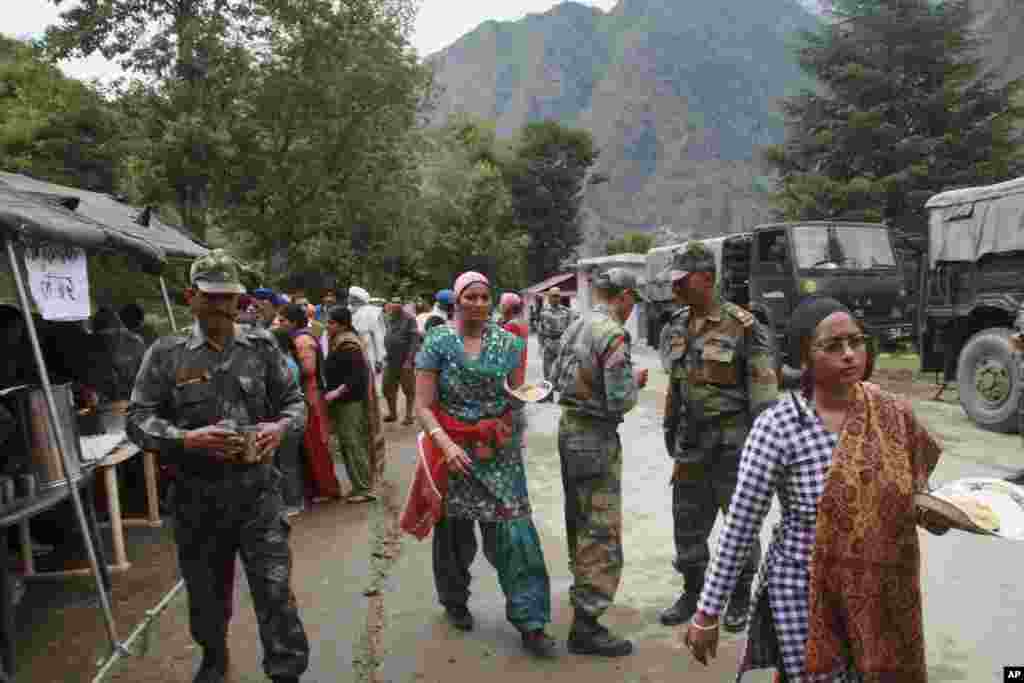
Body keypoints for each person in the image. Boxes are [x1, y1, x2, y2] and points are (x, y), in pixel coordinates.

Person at [684, 296, 948, 682]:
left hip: (881, 594)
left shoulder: (892, 412)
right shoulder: (780, 427)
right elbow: (740, 527)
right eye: (833, 346)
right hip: (805, 594)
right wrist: (707, 613)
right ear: (804, 357)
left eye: (855, 342)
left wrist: (944, 511)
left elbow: (918, 490)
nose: (849, 355)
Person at [126, 249, 309, 683]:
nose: (223, 307)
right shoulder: (166, 353)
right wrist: (185, 439)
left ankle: (286, 670)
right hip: (197, 499)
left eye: (230, 298)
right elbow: (136, 420)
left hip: (258, 495)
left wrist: (280, 429)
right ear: (191, 297)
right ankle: (213, 658)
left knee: (274, 590)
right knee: (207, 597)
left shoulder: (262, 345)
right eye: (212, 297)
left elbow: (295, 404)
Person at [414, 271, 557, 659]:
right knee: (453, 534)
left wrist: (523, 405)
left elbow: (514, 395)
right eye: (470, 297)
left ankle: (531, 622)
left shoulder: (510, 343)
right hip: (453, 452)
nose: (478, 303)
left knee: (515, 534)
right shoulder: (438, 341)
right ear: (457, 301)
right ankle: (455, 601)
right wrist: (445, 445)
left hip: (499, 454)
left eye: (484, 296)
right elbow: (423, 406)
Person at [657, 243, 777, 632]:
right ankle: (693, 591)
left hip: (734, 445)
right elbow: (676, 387)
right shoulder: (676, 324)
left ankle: (739, 597)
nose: (674, 289)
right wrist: (669, 431)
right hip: (691, 443)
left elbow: (763, 395)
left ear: (706, 279)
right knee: (686, 521)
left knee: (739, 524)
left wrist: (763, 453)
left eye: (682, 281)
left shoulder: (744, 326)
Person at [550, 267, 649, 657]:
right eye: (631, 301)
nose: (630, 309)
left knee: (579, 519)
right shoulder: (612, 333)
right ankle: (587, 625)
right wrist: (633, 381)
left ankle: (582, 600)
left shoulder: (578, 324)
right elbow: (621, 398)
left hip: (569, 428)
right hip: (594, 435)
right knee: (602, 529)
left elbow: (557, 376)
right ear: (623, 296)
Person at [278, 303, 342, 503]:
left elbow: (308, 369)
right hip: (308, 397)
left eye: (284, 321)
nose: (280, 324)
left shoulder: (303, 340)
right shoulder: (300, 338)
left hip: (311, 397)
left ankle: (326, 488)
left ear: (294, 322)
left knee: (316, 444)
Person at [323, 306, 384, 503]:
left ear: (342, 325)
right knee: (348, 443)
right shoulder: (340, 341)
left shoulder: (348, 344)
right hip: (344, 401)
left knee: (354, 443)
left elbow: (355, 377)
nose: (328, 326)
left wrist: (337, 392)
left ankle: (364, 487)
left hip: (350, 402)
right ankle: (359, 485)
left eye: (331, 323)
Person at [271, 328, 307, 516]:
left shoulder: (283, 363)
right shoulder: (287, 360)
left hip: (288, 419)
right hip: (291, 417)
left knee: (287, 463)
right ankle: (294, 500)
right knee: (288, 462)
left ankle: (293, 503)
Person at [382, 297, 419, 425]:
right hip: (390, 360)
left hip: (405, 360)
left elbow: (415, 341)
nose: (394, 306)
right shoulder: (388, 317)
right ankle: (393, 413)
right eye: (393, 303)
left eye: (398, 304)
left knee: (408, 389)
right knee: (387, 387)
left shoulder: (409, 319)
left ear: (401, 305)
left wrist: (409, 360)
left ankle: (409, 415)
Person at [538, 286, 574, 401]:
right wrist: (541, 344)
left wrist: (570, 345)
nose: (555, 298)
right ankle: (548, 396)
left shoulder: (567, 312)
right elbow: (540, 329)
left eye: (557, 296)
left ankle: (565, 397)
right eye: (553, 296)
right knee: (547, 371)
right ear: (548, 297)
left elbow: (571, 329)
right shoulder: (544, 312)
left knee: (564, 371)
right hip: (549, 343)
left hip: (562, 344)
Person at [349, 286, 386, 380]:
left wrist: (379, 359)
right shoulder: (349, 310)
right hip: (352, 349)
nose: (348, 299)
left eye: (350, 296)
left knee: (370, 378)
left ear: (356, 299)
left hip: (369, 350)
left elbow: (379, 336)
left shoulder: (372, 312)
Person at [498, 292, 528, 389]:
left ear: (507, 307)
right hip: (519, 370)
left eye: (501, 305)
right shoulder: (521, 322)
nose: (499, 307)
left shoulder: (511, 325)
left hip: (511, 373)